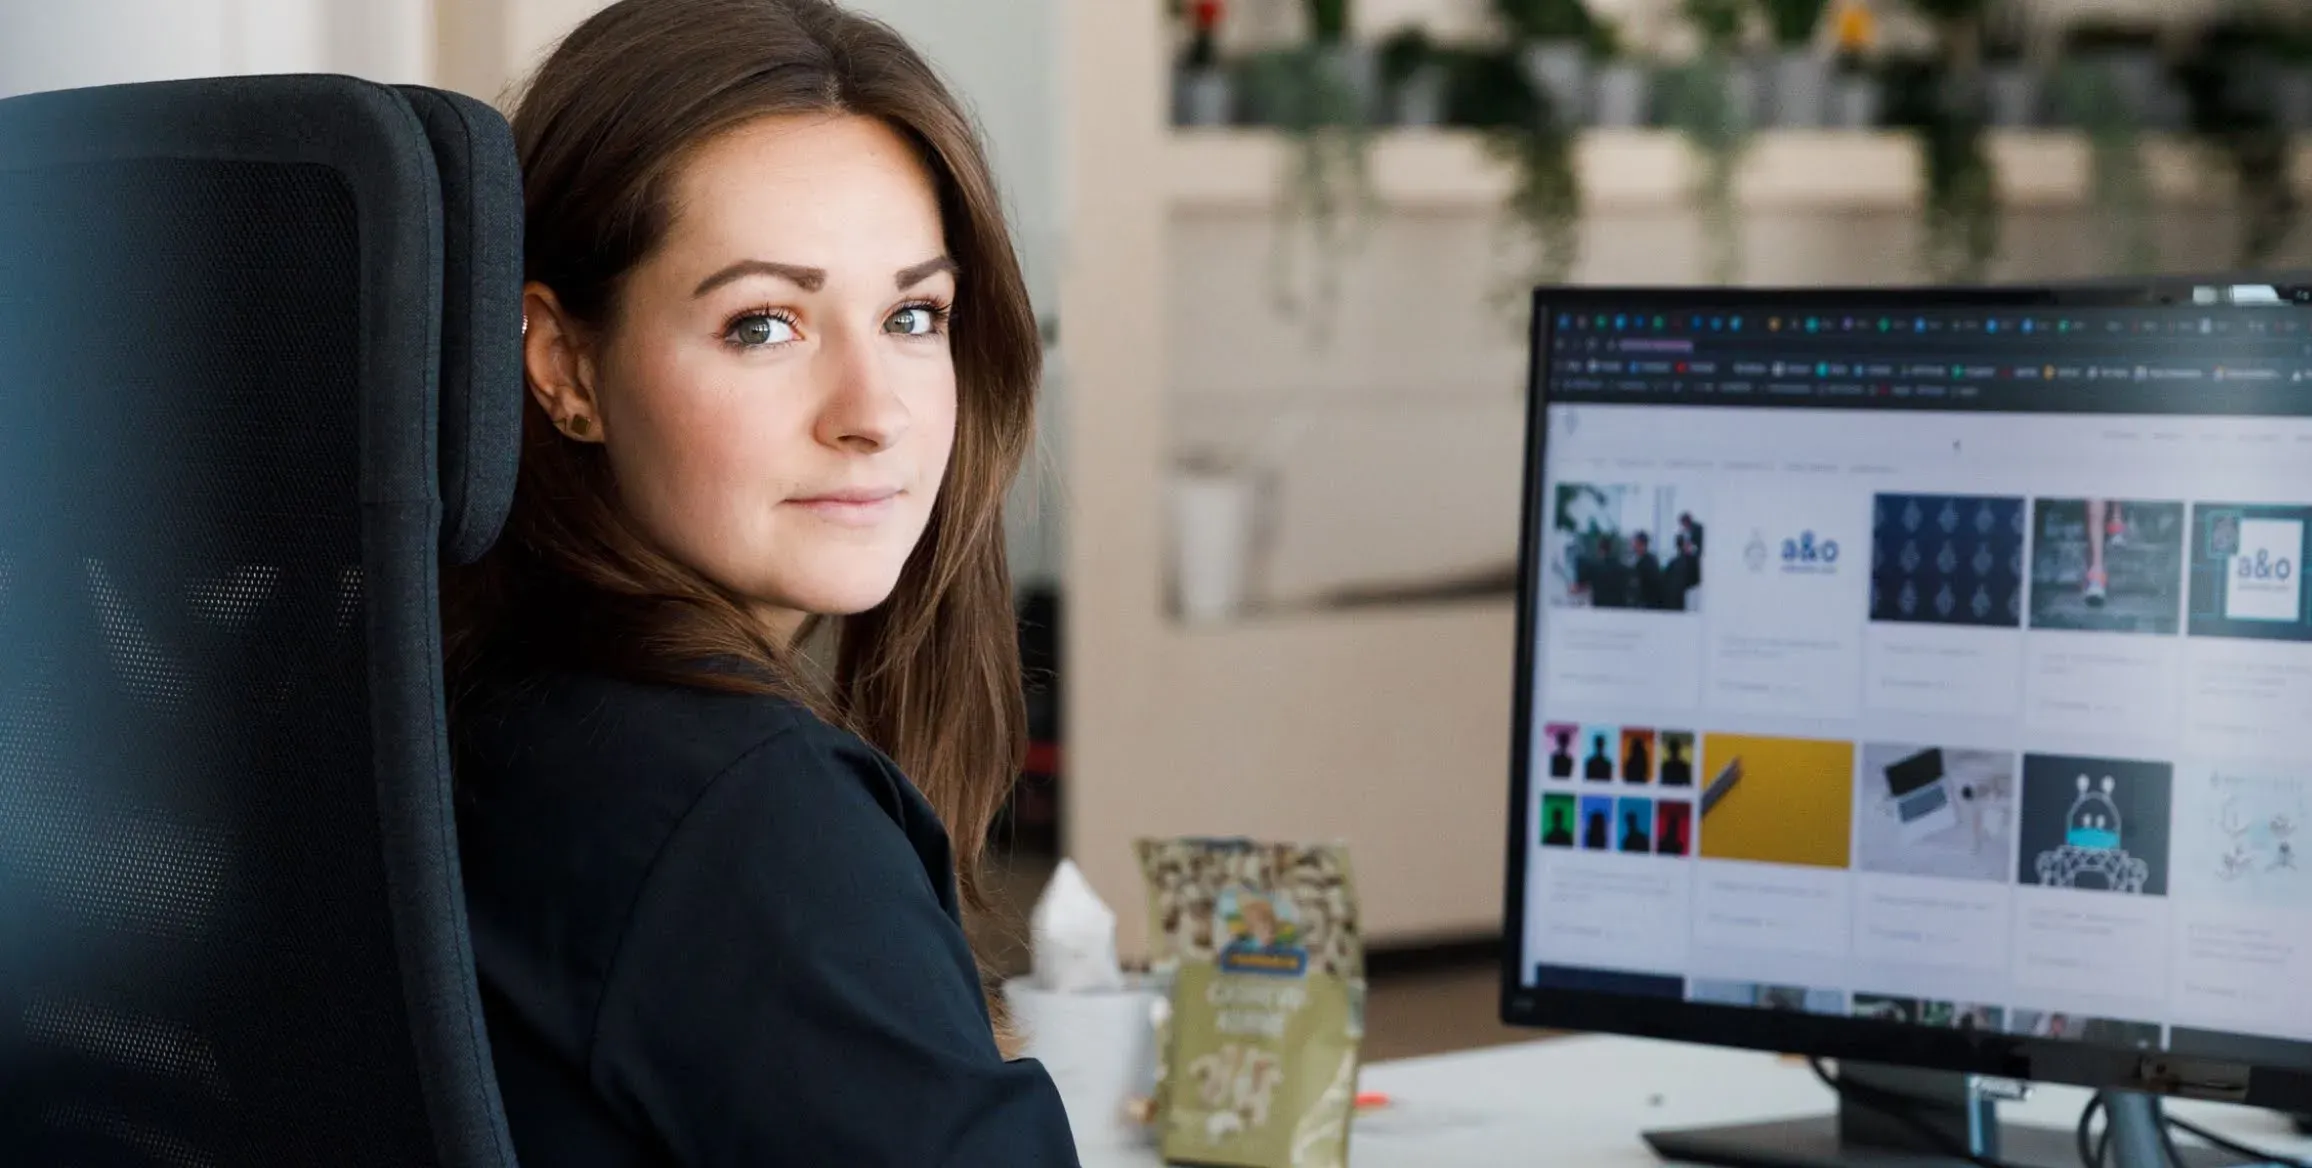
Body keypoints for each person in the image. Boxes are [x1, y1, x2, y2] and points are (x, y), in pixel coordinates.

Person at [442, 2, 1078, 1163]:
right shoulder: (741, 812)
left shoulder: (480, 701)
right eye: (764, 324)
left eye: (911, 314)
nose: (873, 414)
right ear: (563, 365)